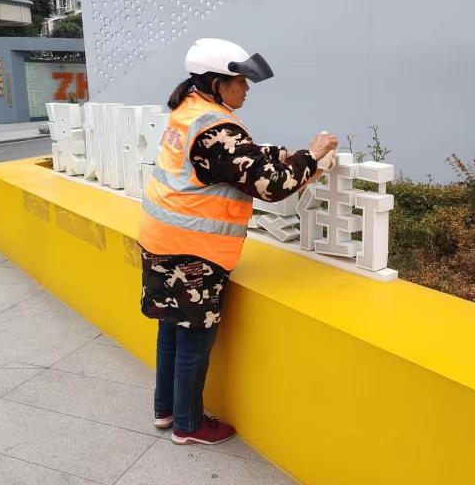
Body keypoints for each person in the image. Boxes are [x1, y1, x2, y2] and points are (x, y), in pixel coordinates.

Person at [137, 38, 338, 445]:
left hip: (160, 240)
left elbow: (237, 158)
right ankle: (188, 425)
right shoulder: (216, 129)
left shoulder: (189, 110)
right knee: (195, 339)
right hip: (193, 254)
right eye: (240, 81)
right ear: (217, 83)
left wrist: (285, 153)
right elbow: (271, 186)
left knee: (171, 328)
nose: (246, 88)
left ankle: (165, 409)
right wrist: (312, 157)